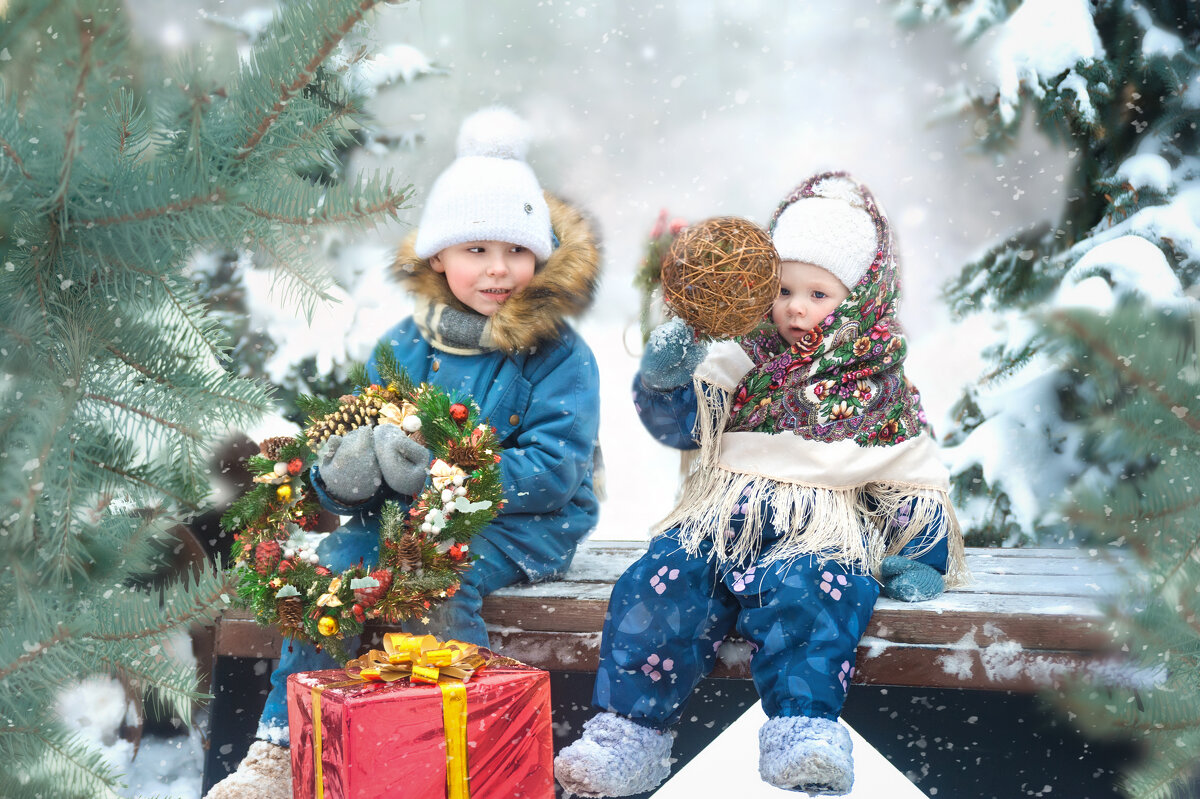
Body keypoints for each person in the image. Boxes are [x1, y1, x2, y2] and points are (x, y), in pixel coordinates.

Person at [205, 107, 603, 799]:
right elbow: (353, 438)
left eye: (514, 249)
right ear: (438, 256)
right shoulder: (405, 344)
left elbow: (554, 470)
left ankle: (458, 749)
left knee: (438, 571)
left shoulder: (557, 353)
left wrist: (445, 478)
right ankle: (282, 741)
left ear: (539, 254)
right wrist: (345, 475)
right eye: (476, 250)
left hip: (522, 524)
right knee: (335, 570)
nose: (498, 268)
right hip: (397, 521)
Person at [554, 172, 967, 797]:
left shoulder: (878, 385)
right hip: (721, 521)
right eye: (782, 290)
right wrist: (667, 380)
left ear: (859, 299)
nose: (795, 307)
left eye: (818, 293)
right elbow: (683, 428)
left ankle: (803, 727)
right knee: (662, 583)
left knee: (819, 594)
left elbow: (910, 475)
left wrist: (921, 555)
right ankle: (629, 733)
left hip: (819, 528)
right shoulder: (737, 359)